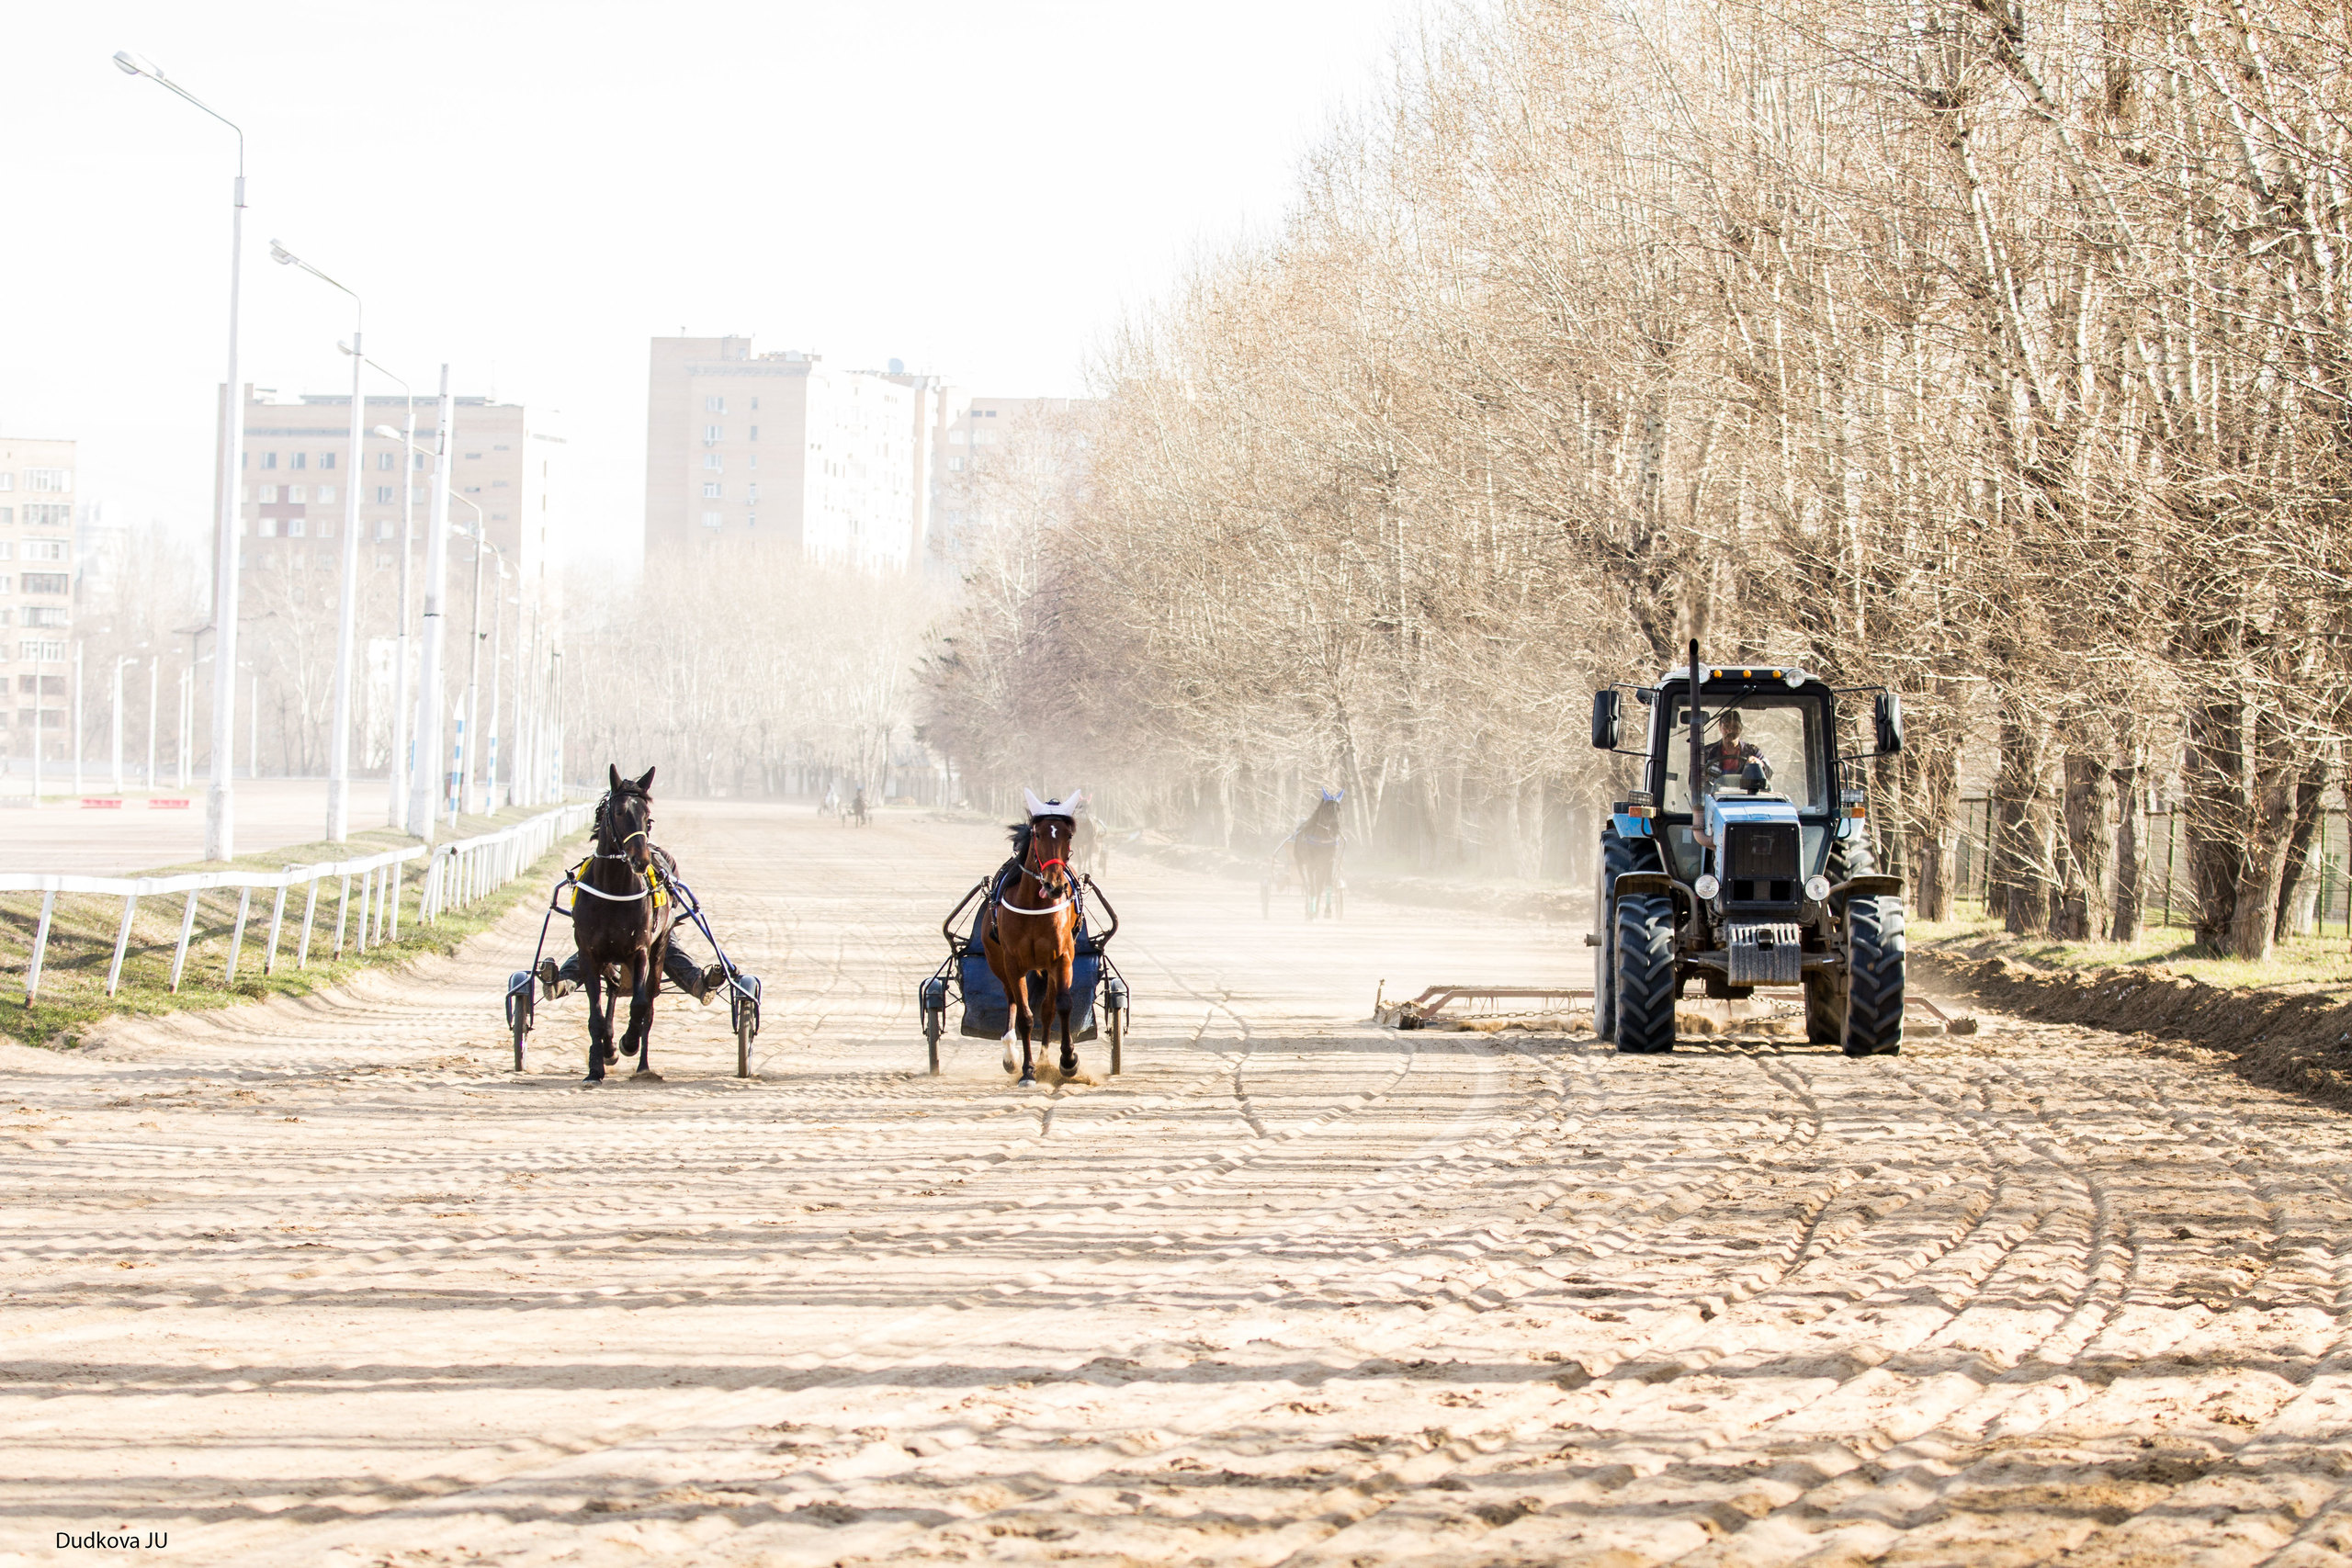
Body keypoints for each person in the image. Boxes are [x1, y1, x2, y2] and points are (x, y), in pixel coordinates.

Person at [537, 842, 728, 1003]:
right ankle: (559, 984)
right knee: (590, 950)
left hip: (651, 928)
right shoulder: (604, 859)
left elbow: (673, 902)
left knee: (668, 947)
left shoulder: (661, 858)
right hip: (612, 930)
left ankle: (700, 985)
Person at [1703, 711, 1771, 791]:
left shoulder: (1753, 752)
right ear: (1720, 727)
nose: (1730, 731)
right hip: (1715, 799)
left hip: (1746, 798)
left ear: (1740, 729)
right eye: (1726, 726)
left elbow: (1769, 774)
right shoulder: (1707, 753)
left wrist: (1760, 764)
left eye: (1735, 727)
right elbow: (1694, 783)